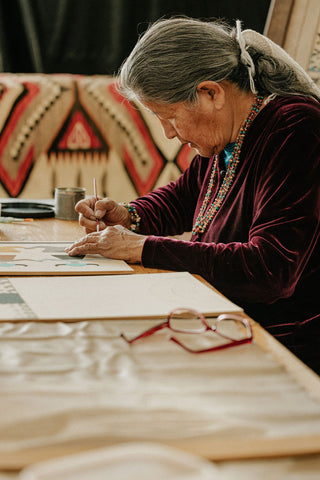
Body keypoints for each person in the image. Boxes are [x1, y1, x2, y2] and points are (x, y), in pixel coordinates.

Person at [66, 17, 320, 374]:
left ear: (211, 93)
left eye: (167, 116)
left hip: (286, 349)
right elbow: (185, 199)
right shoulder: (231, 134)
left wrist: (140, 247)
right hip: (229, 324)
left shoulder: (296, 129)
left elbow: (270, 269)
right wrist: (127, 215)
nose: (168, 133)